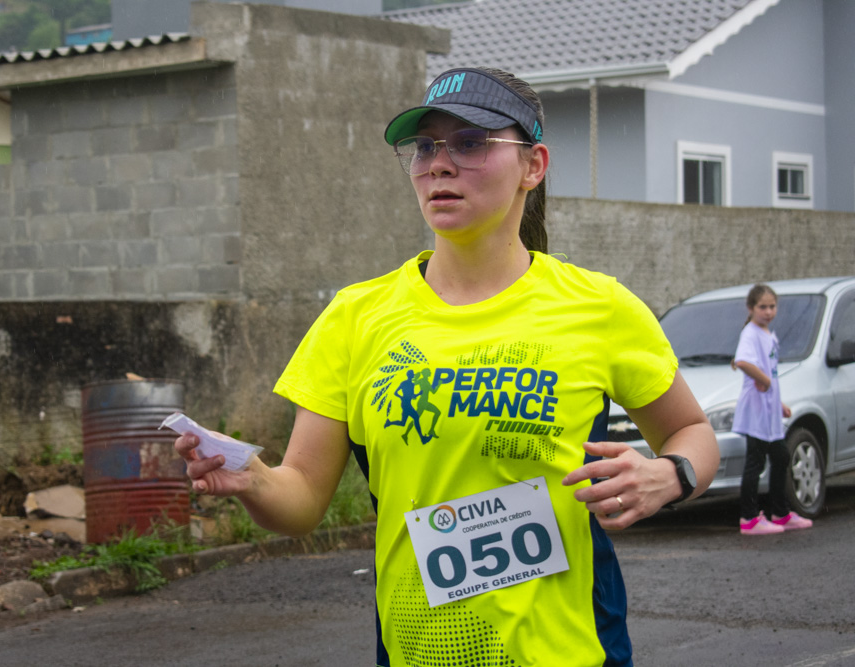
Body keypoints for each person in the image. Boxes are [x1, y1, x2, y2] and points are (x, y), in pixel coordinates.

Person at [174, 66, 719, 667]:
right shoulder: (356, 317)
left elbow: (691, 433)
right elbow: (301, 499)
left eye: (470, 143)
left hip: (571, 652)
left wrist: (671, 476)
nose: (438, 163)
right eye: (426, 146)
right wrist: (251, 478)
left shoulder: (600, 307)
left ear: (532, 166)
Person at [732, 284, 813, 535]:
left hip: (768, 410)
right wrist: (765, 382)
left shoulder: (768, 333)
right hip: (755, 409)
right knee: (755, 462)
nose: (768, 312)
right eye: (762, 307)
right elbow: (743, 361)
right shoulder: (751, 333)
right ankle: (749, 519)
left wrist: (778, 403)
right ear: (751, 308)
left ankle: (780, 513)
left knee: (780, 457)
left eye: (772, 306)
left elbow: (768, 368)